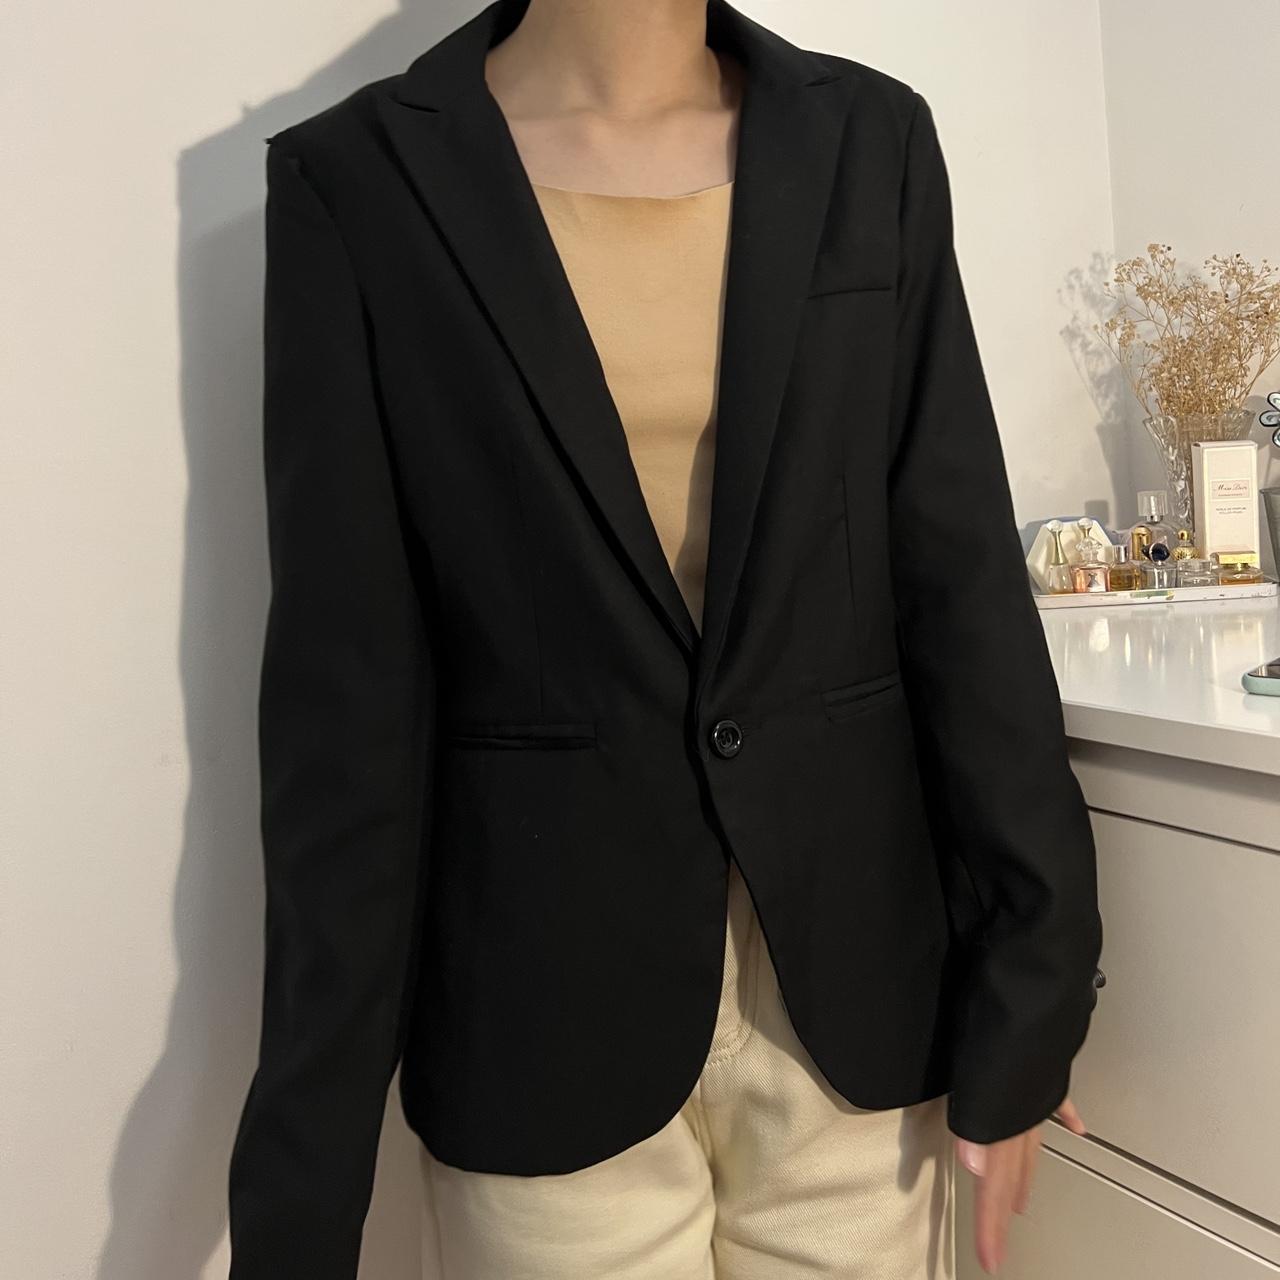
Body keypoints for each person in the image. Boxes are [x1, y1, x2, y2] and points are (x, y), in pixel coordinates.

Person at [227, 0, 1104, 1276]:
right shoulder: (358, 181)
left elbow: (957, 582)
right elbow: (346, 700)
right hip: (540, 1032)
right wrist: (304, 1186)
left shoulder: (868, 142)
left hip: (856, 1023)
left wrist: (1033, 983)